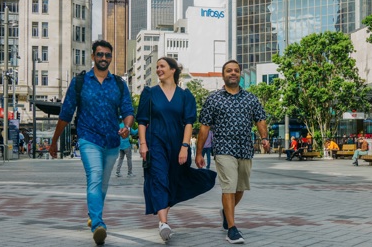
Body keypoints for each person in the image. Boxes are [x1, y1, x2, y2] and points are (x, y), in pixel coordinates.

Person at [49, 40, 134, 245]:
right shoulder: (80, 82)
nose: (103, 58)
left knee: (103, 183)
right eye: (100, 54)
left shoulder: (119, 84)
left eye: (107, 55)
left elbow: (128, 111)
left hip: (112, 141)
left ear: (111, 58)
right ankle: (98, 224)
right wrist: (54, 142)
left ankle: (93, 213)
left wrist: (126, 126)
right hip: (88, 138)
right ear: (93, 56)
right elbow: (66, 113)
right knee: (95, 176)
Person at [137, 57, 217, 242]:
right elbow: (142, 121)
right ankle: (163, 223)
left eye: (162, 66)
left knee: (173, 180)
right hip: (155, 142)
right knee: (159, 178)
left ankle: (163, 216)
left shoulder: (185, 95)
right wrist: (143, 144)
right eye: (157, 67)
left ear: (173, 70)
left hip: (177, 144)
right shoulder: (149, 93)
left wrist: (184, 146)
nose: (158, 70)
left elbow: (189, 122)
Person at [196, 59, 269, 244]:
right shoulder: (214, 98)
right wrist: (198, 153)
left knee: (240, 187)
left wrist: (265, 138)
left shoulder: (251, 98)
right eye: (229, 70)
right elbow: (204, 127)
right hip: (223, 149)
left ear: (240, 74)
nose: (233, 73)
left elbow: (260, 119)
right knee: (229, 185)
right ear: (223, 74)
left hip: (245, 149)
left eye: (236, 70)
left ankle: (225, 212)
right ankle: (232, 228)